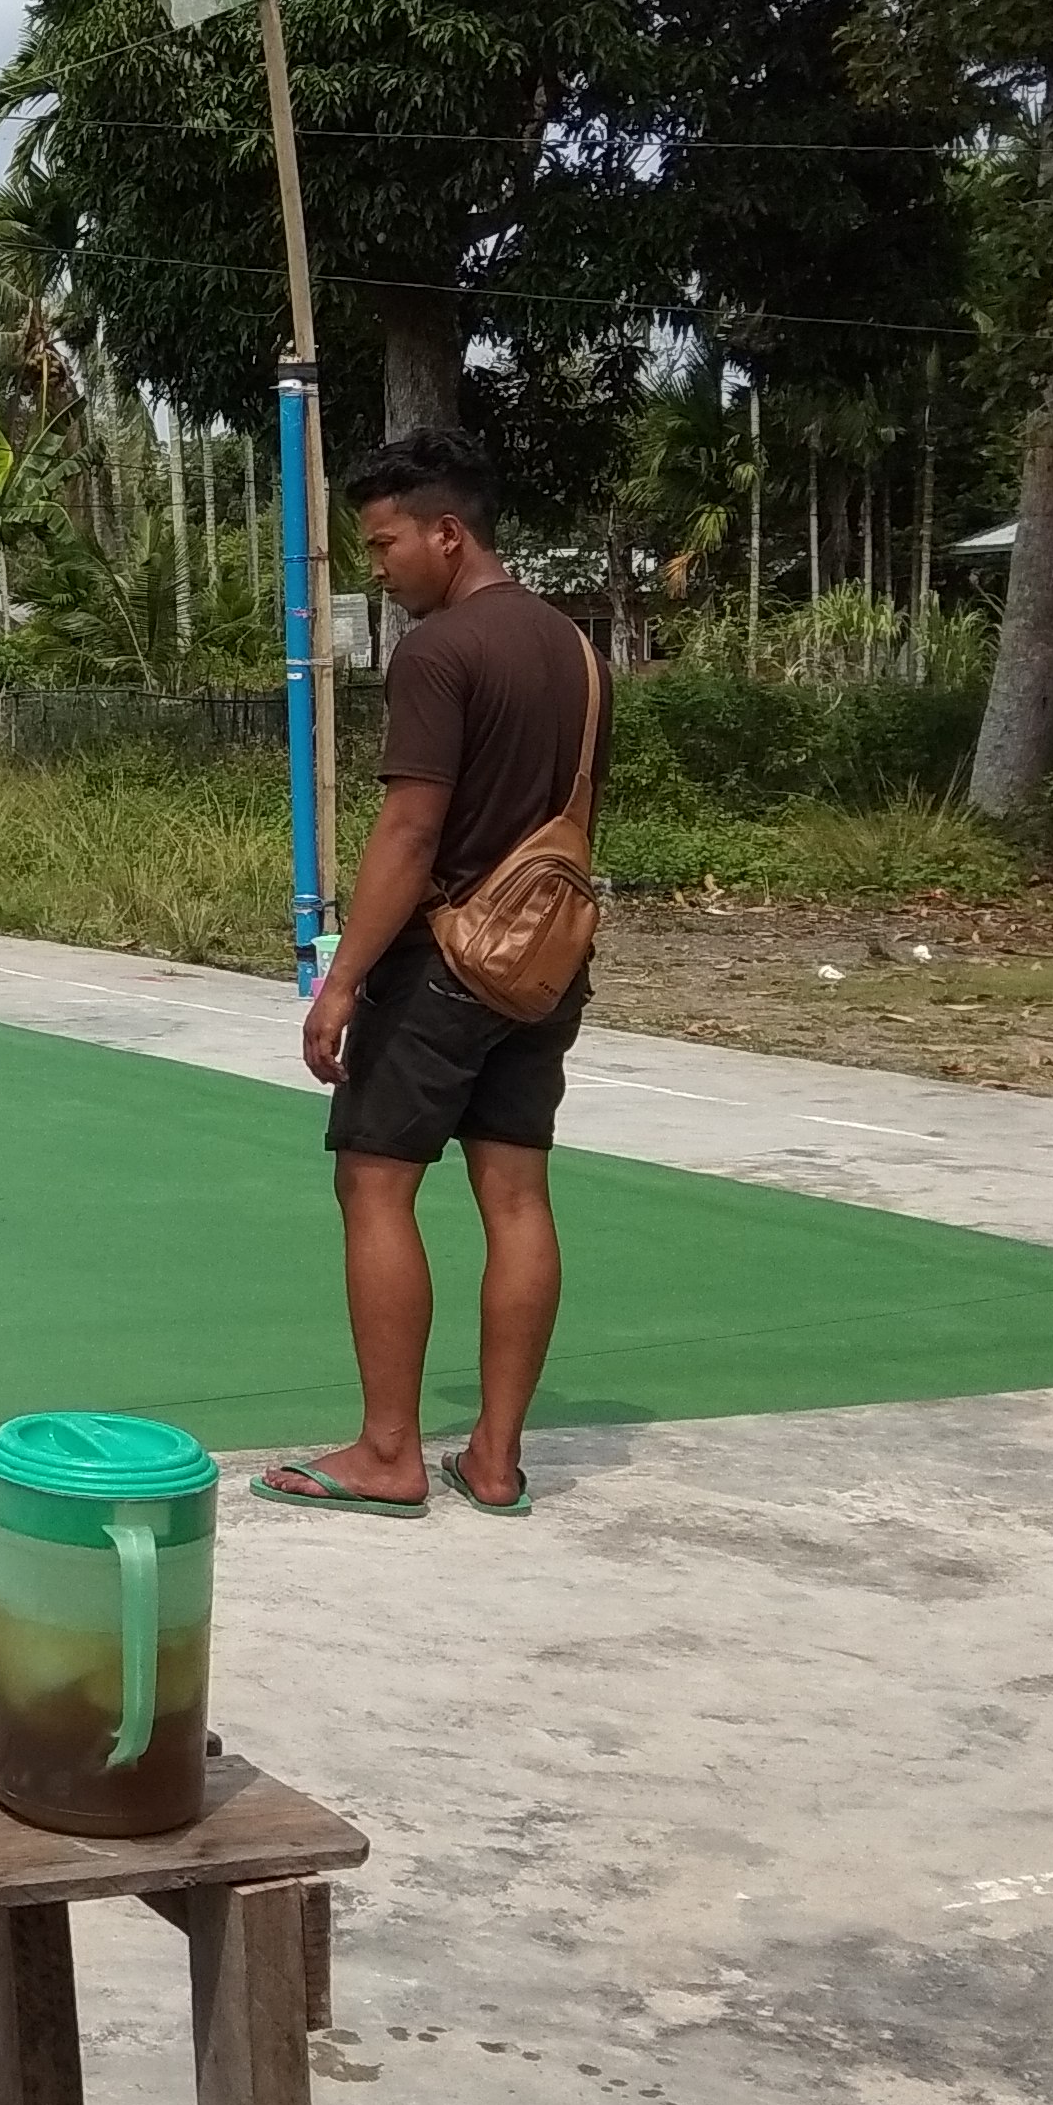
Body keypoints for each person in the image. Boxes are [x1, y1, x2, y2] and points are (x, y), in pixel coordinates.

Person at [267, 427, 609, 1519]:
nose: (378, 565)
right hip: (544, 961)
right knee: (513, 1193)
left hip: (443, 964)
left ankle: (386, 1452)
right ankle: (496, 1459)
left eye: (384, 542)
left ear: (446, 533)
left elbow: (408, 832)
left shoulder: (438, 652)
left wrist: (338, 981)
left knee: (373, 1180)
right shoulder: (573, 646)